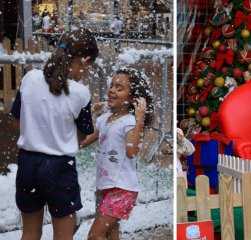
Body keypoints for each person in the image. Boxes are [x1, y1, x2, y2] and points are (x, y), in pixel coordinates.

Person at [10, 28, 99, 240]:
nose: (86, 72)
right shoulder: (80, 92)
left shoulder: (30, 78)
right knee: (63, 236)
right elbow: (81, 137)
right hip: (59, 170)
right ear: (84, 60)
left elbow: (16, 123)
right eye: (89, 66)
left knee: (29, 234)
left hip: (27, 165)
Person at [80, 69, 154, 240]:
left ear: (132, 99)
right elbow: (81, 143)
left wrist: (139, 119)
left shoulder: (129, 122)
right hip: (108, 186)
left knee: (95, 235)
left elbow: (131, 152)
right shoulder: (103, 119)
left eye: (119, 88)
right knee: (111, 235)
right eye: (111, 85)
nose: (111, 90)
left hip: (123, 189)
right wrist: (85, 118)